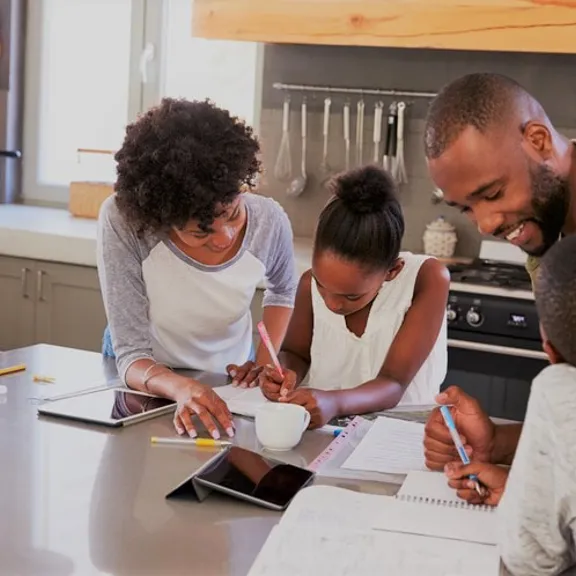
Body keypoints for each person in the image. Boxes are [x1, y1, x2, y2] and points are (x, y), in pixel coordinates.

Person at [97, 98, 297, 440]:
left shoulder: (269, 220)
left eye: (233, 214)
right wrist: (180, 387)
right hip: (144, 383)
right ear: (161, 218)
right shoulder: (126, 222)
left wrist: (264, 362)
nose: (225, 237)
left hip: (231, 378)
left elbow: (283, 289)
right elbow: (131, 355)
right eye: (200, 232)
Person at [258, 166, 449, 428]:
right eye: (321, 284)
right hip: (325, 435)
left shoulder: (426, 279)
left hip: (403, 434)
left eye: (351, 295)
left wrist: (333, 403)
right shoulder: (307, 285)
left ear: (392, 271)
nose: (332, 303)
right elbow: (296, 353)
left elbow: (393, 383)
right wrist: (284, 372)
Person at [430, 236, 576, 576]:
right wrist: (518, 488)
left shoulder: (559, 389)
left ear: (548, 347)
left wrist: (525, 507)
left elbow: (531, 559)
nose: (486, 224)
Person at [424, 72, 576, 285]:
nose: (486, 226)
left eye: (493, 194)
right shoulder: (548, 241)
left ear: (538, 141)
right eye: (466, 208)